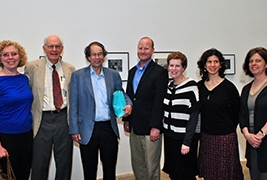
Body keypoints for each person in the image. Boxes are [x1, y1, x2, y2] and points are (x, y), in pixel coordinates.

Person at [69, 41, 132, 180]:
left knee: (110, 168)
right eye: (93, 54)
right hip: (87, 128)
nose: (97, 57)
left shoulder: (113, 75)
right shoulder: (78, 76)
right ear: (88, 57)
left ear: (104, 56)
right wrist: (74, 129)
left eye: (100, 54)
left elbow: (120, 93)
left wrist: (128, 104)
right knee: (89, 169)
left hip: (108, 127)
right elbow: (73, 104)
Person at [24, 35, 75, 180]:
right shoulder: (32, 67)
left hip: (63, 120)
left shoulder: (70, 69)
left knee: (64, 163)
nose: (54, 49)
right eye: (50, 46)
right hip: (42, 120)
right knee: (39, 164)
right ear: (44, 48)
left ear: (62, 49)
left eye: (57, 46)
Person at [0, 40, 33, 180]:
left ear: (20, 56)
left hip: (25, 136)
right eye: (5, 55)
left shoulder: (24, 79)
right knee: (6, 176)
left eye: (13, 54)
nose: (10, 57)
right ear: (0, 59)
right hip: (3, 137)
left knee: (23, 176)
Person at [123, 37, 168, 180]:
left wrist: (156, 126)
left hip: (151, 128)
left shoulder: (160, 72)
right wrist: (127, 120)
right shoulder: (132, 72)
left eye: (146, 48)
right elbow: (130, 97)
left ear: (153, 51)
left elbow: (159, 101)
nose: (143, 51)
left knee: (151, 166)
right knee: (138, 165)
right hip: (135, 126)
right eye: (140, 48)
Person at [197, 48, 243, 180]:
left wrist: (226, 129)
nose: (212, 65)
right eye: (209, 61)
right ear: (204, 65)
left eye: (216, 61)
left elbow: (236, 112)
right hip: (206, 136)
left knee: (225, 173)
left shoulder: (229, 87)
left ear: (221, 64)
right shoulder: (199, 86)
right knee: (210, 173)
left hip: (225, 138)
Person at [239, 47, 267, 180]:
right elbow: (242, 115)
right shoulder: (246, 89)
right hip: (252, 145)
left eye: (258, 60)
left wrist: (260, 135)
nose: (253, 64)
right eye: (251, 61)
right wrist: (247, 135)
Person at [162, 52, 200, 180]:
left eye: (177, 66)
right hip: (170, 137)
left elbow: (194, 117)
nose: (174, 69)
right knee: (174, 173)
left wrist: (187, 142)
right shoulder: (168, 86)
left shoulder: (191, 87)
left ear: (183, 68)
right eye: (171, 65)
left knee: (186, 174)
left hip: (184, 139)